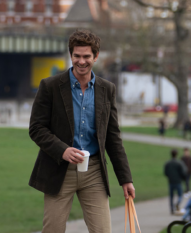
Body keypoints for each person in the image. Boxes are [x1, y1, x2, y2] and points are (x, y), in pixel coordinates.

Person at [28, 29, 135, 233]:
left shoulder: (107, 89)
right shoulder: (50, 86)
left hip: (94, 170)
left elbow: (113, 137)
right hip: (59, 169)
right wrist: (62, 150)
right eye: (77, 56)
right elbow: (36, 128)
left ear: (96, 56)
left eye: (87, 56)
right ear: (71, 56)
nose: (81, 61)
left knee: (103, 230)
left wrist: (125, 179)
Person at [164, 149, 187, 214]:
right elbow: (183, 172)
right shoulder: (179, 163)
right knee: (180, 195)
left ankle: (171, 209)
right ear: (176, 154)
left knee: (171, 196)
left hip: (171, 181)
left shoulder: (168, 163)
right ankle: (177, 203)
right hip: (178, 181)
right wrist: (183, 178)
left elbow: (165, 172)